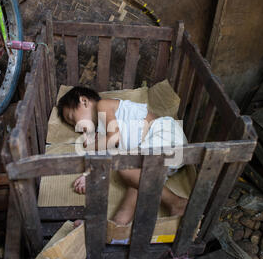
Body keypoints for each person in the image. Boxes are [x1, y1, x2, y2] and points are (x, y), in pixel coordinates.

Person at [57, 85, 188, 226]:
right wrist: (88, 175)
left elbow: (115, 138)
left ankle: (176, 202)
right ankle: (116, 225)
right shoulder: (102, 136)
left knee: (124, 167)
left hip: (164, 134)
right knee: (135, 180)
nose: (75, 126)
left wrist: (88, 146)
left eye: (72, 118)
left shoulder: (103, 105)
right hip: (163, 158)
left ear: (84, 101)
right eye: (71, 125)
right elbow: (103, 159)